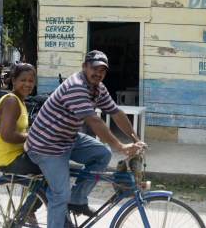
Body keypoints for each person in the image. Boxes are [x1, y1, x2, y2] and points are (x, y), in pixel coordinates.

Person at [25, 50, 146, 227]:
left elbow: (116, 113)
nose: (98, 74)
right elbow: (94, 120)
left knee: (102, 154)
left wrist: (135, 139)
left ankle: (77, 199)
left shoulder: (97, 88)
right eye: (94, 68)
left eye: (103, 70)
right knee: (60, 195)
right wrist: (120, 146)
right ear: (84, 67)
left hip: (67, 139)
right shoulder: (76, 86)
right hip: (46, 145)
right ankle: (66, 202)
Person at [0, 63, 41, 174]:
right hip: (6, 158)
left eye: (31, 81)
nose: (27, 84)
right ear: (14, 80)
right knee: (52, 166)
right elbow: (7, 135)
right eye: (23, 80)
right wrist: (34, 136)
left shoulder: (20, 100)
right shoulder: (11, 101)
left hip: (15, 153)